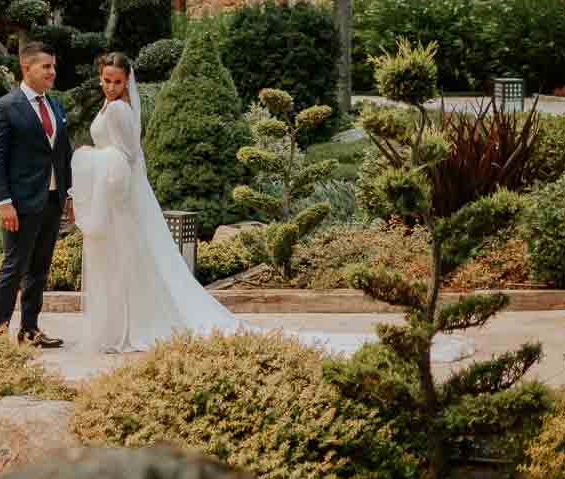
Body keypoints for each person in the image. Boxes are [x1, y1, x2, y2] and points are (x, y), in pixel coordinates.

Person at [71, 51, 377, 357]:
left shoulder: (118, 111)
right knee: (129, 260)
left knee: (130, 259)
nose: (111, 87)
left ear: (127, 81)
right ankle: (125, 321)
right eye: (106, 81)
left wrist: (87, 159)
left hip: (120, 194)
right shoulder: (109, 105)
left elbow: (125, 157)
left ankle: (132, 324)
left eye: (117, 82)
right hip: (117, 195)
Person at [0, 41, 73, 348]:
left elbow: (63, 152)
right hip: (20, 203)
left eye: (53, 66)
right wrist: (4, 202)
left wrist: (69, 195)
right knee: (14, 267)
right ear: (26, 68)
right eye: (45, 66)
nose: (52, 71)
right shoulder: (4, 108)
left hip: (51, 200)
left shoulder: (55, 104)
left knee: (40, 268)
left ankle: (29, 330)